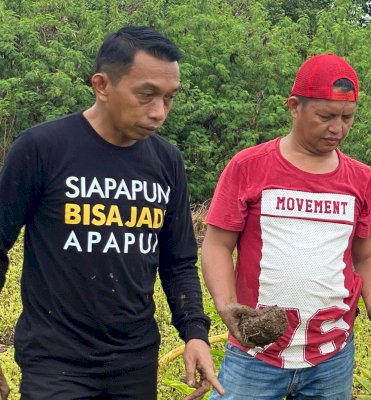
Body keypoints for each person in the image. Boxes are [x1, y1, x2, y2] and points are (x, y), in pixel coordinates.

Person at [0, 26, 223, 400]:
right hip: (55, 362)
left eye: (169, 98)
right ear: (102, 85)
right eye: (146, 95)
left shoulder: (166, 161)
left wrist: (195, 334)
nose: (158, 112)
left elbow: (178, 261)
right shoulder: (42, 148)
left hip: (134, 361)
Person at [201, 53, 371, 399]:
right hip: (257, 354)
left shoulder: (359, 178)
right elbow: (217, 245)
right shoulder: (249, 166)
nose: (338, 128)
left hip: (331, 356)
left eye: (348, 117)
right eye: (325, 116)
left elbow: (368, 256)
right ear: (293, 107)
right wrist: (226, 306)